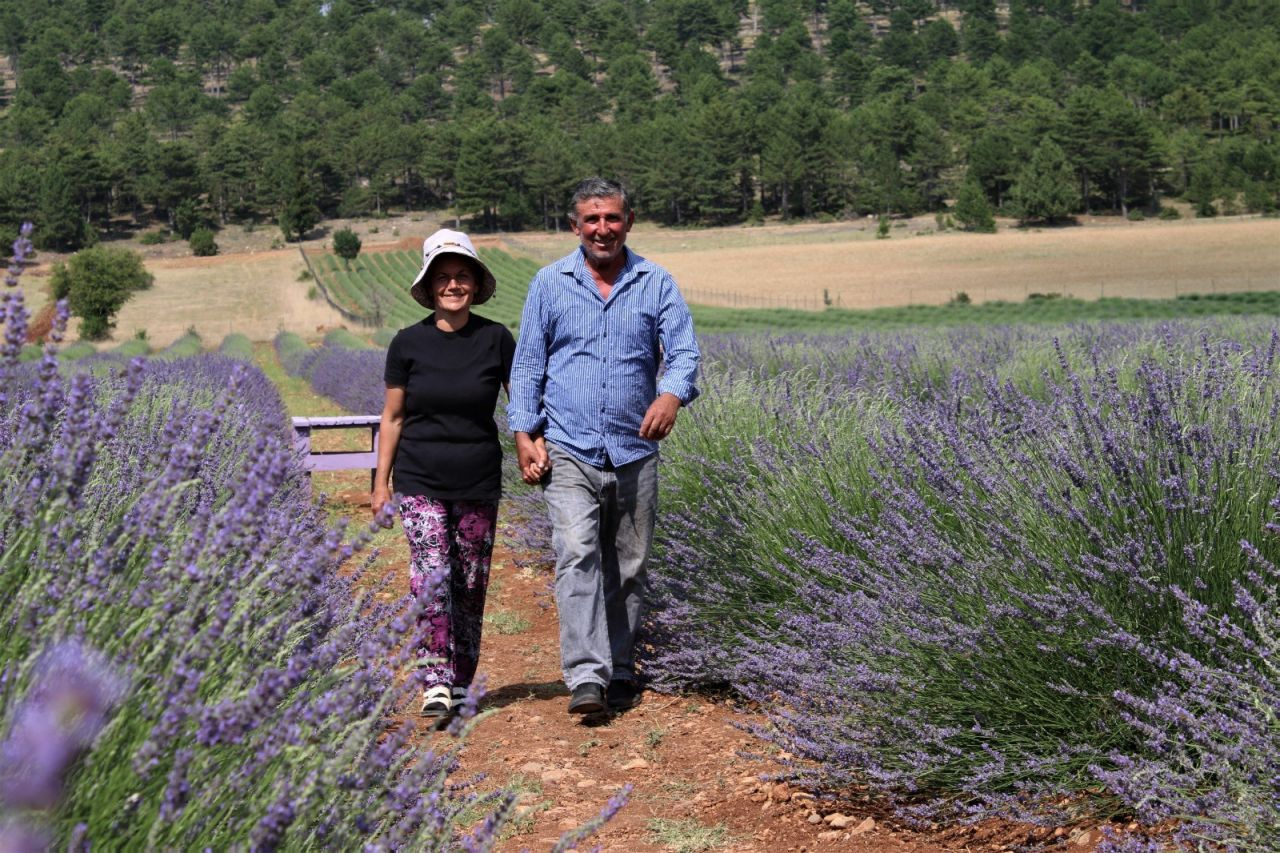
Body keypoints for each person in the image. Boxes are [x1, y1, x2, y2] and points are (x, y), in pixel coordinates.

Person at [508, 177, 700, 715]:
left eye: (612, 218)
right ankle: (586, 676)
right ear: (575, 226)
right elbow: (527, 367)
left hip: (635, 448)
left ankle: (620, 666)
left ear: (629, 222)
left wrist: (670, 395)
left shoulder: (655, 281)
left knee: (631, 564)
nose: (602, 229)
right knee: (577, 555)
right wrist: (524, 433)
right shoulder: (549, 284)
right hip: (568, 447)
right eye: (591, 219)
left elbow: (684, 352)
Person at [373, 228, 516, 720]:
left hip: (478, 477)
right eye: (443, 278)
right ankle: (434, 678)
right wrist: (380, 484)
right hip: (419, 479)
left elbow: (520, 406)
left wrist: (534, 448)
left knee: (470, 582)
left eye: (462, 276)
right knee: (431, 576)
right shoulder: (407, 343)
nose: (453, 285)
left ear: (475, 284)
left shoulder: (496, 339)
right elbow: (391, 418)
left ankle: (460, 680)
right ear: (429, 287)